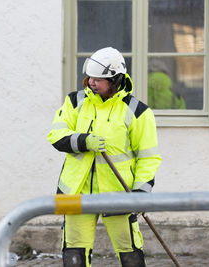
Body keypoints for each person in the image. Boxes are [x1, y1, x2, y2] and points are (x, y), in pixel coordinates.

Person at [47, 47, 162, 267]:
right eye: (90, 77)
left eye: (99, 79)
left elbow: (148, 158)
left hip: (119, 194)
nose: (91, 82)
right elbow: (56, 135)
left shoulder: (137, 112)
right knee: (74, 256)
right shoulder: (75, 102)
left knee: (130, 254)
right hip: (77, 192)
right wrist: (83, 141)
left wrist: (139, 194)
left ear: (116, 80)